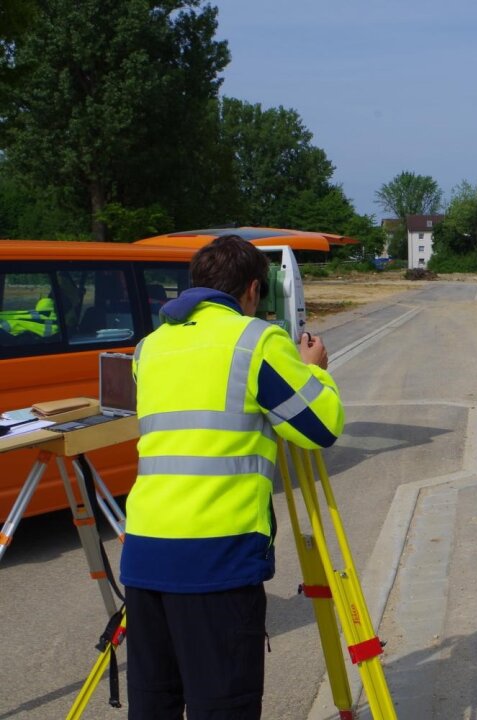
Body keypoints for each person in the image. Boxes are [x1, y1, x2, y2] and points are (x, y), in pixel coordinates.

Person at [120, 235, 345, 719]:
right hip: (214, 559)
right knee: (223, 706)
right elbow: (320, 427)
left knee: (153, 702)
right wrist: (315, 371)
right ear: (252, 290)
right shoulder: (256, 341)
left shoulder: (149, 347)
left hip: (144, 552)